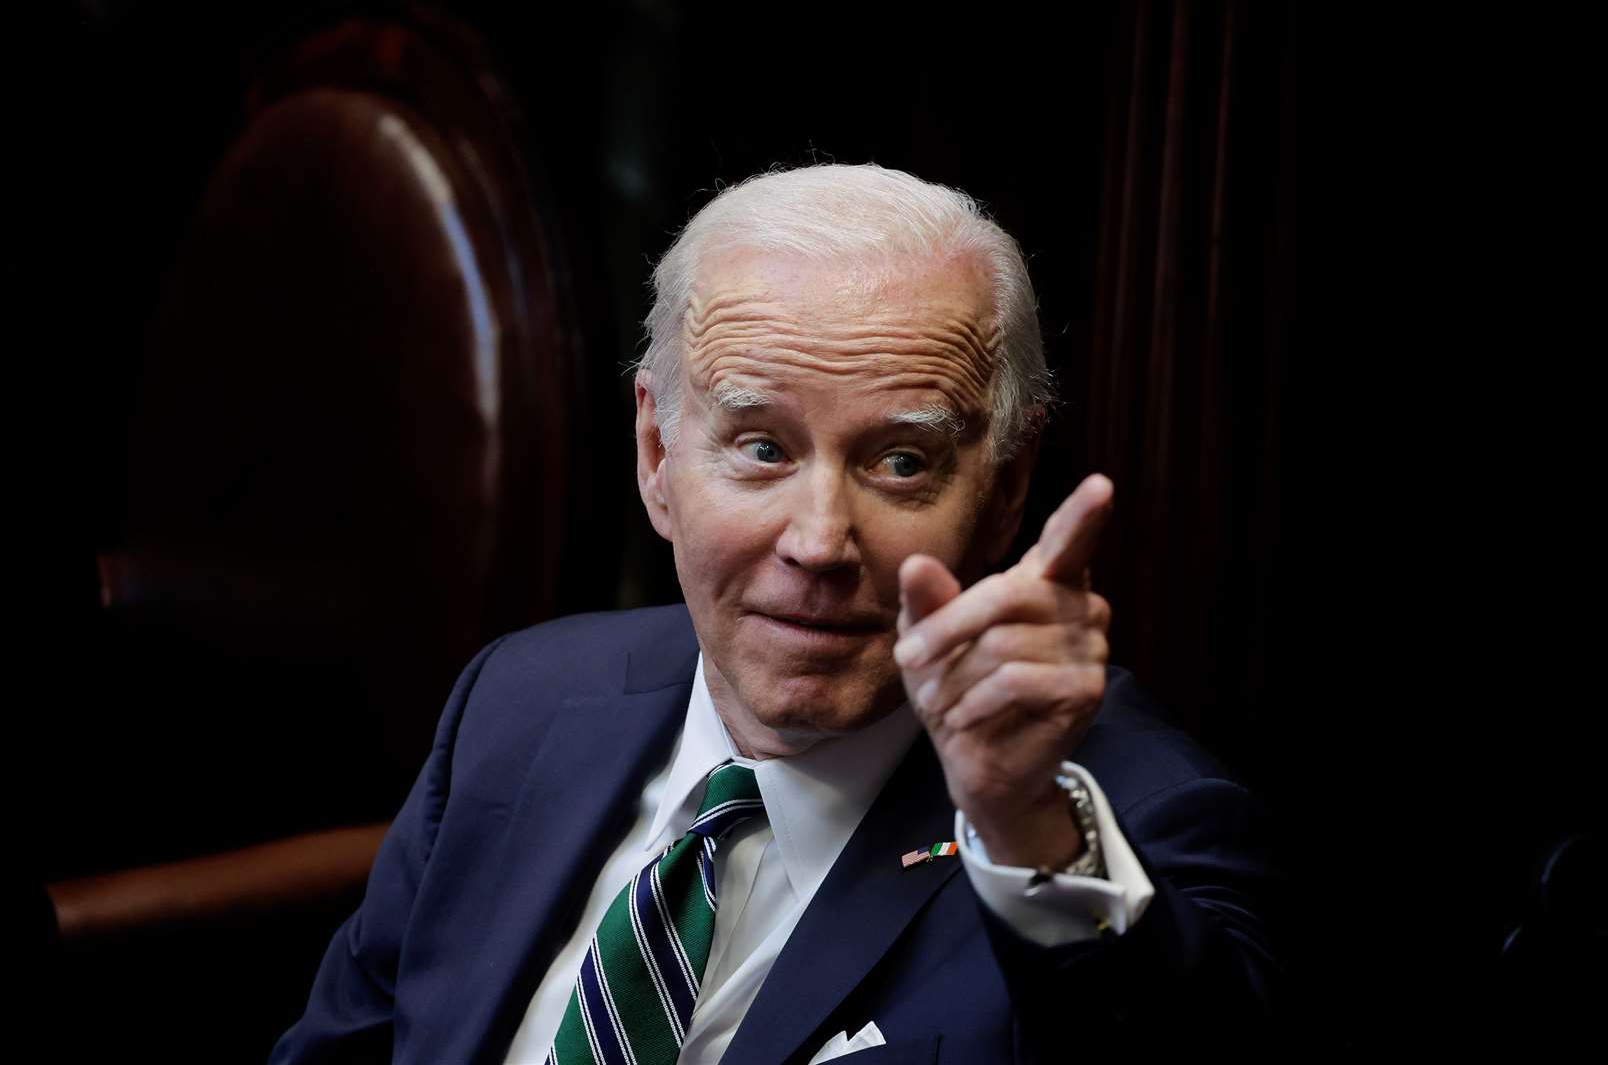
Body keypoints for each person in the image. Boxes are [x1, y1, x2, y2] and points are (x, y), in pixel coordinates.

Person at [274, 164, 1284, 1064]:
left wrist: (1026, 832)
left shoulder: (1122, 815)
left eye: (901, 462)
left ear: (1009, 489)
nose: (817, 542)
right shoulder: (518, 701)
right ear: (657, 458)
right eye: (760, 446)